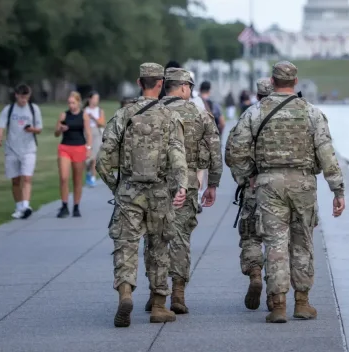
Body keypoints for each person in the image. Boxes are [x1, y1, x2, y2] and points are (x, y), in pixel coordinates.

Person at [226, 60, 345, 324]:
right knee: (302, 242)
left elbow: (235, 150)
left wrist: (248, 177)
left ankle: (278, 305)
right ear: (295, 81)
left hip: (268, 183)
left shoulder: (255, 112)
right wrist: (337, 189)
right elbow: (326, 153)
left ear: (273, 80)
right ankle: (302, 303)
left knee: (275, 243)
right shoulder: (312, 112)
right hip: (303, 183)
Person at [97, 62, 188, 328]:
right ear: (160, 84)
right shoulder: (170, 117)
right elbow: (177, 156)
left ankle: (125, 293)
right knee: (159, 246)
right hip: (159, 191)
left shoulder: (123, 115)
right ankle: (159, 305)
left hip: (129, 190)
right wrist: (181, 186)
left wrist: (116, 187)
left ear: (139, 83)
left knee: (126, 244)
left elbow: (102, 161)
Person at [142, 66, 222, 315]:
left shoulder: (150, 111)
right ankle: (178, 293)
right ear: (185, 87)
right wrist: (212, 184)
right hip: (186, 181)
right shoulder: (200, 114)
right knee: (180, 237)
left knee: (154, 237)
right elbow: (215, 150)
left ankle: (156, 292)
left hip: (154, 182)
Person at [225, 77, 273, 310]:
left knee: (251, 236)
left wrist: (246, 177)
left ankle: (255, 272)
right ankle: (276, 294)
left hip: (254, 188)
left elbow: (231, 153)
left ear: (258, 95)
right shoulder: (293, 115)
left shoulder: (248, 116)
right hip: (282, 187)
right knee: (278, 241)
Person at [0, 83, 43, 220]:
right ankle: (19, 206)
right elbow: (1, 125)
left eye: (26, 97)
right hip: (12, 149)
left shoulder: (34, 109)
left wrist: (32, 129)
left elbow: (39, 129)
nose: (24, 100)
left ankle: (26, 206)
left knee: (27, 178)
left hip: (29, 149)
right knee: (15, 180)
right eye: (22, 97)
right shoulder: (9, 109)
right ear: (16, 95)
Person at [54, 90, 93, 218]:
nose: (71, 105)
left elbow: (88, 133)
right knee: (63, 177)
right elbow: (56, 133)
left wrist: (88, 148)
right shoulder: (63, 115)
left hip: (79, 148)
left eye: (73, 103)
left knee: (77, 179)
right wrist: (60, 128)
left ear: (78, 102)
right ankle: (64, 205)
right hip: (65, 147)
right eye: (69, 103)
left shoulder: (84, 115)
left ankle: (76, 206)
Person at [84, 91, 105, 187]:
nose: (96, 100)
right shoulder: (85, 110)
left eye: (97, 99)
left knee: (94, 158)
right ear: (90, 99)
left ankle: (93, 177)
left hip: (96, 133)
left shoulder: (99, 110)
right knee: (87, 158)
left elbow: (102, 123)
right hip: (86, 133)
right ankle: (88, 173)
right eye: (95, 98)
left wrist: (93, 118)